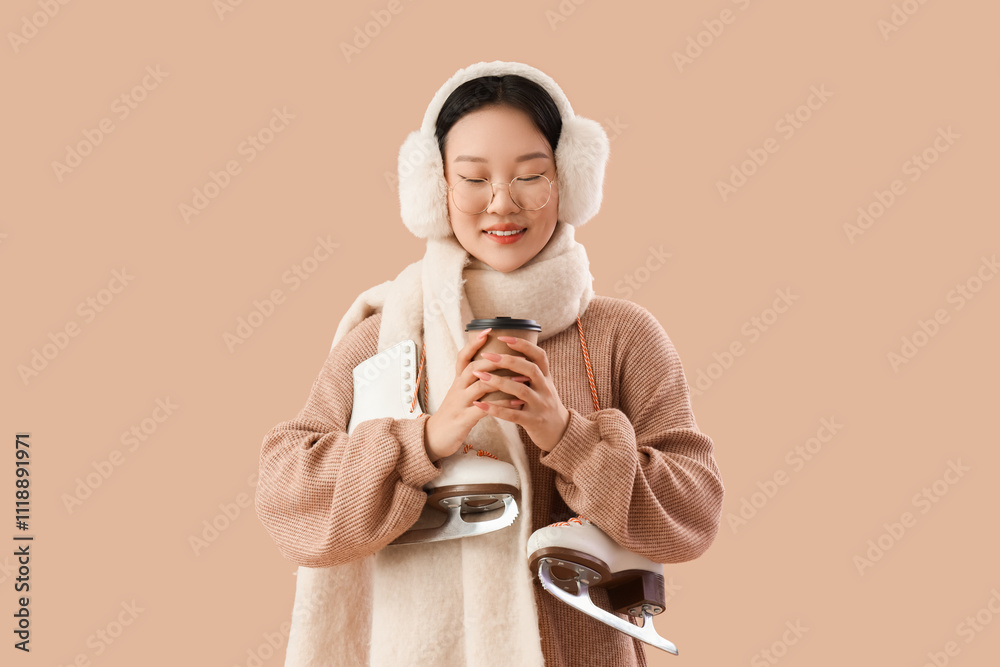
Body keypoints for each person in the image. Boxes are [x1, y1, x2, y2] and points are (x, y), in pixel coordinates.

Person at [255, 60, 725, 667]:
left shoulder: (622, 337)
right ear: (437, 190)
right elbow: (286, 498)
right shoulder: (386, 339)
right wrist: (425, 438)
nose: (502, 203)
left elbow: (694, 511)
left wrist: (568, 436)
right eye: (473, 178)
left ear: (568, 182)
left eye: (531, 175)